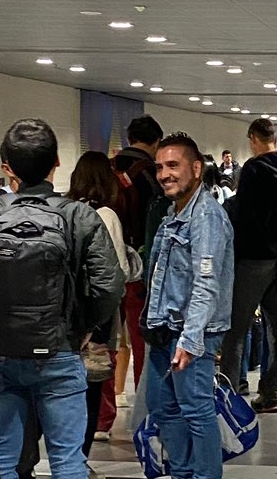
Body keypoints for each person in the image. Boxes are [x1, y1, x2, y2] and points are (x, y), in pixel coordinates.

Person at [0, 119, 124, 479]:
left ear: (6, 168)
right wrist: (83, 327)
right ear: (57, 162)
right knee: (67, 460)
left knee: (2, 459)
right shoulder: (78, 215)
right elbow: (108, 285)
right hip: (59, 351)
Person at [143, 132, 234, 479]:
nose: (164, 174)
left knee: (196, 411)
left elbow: (206, 282)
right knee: (163, 407)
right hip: (164, 329)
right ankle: (182, 473)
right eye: (160, 167)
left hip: (192, 334)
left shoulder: (206, 217)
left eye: (173, 166)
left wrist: (191, 338)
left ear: (196, 169)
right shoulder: (173, 213)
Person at [219, 119, 277, 413]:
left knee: (236, 329)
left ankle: (229, 392)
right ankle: (270, 394)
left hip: (254, 259)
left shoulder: (253, 169)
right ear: (275, 137)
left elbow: (242, 215)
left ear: (253, 138)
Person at [65, 151, 132, 450]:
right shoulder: (106, 215)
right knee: (91, 388)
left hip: (62, 319)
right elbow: (119, 272)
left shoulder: (63, 210)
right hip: (96, 320)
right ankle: (80, 458)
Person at [112, 115, 164, 393]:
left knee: (105, 340)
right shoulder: (150, 173)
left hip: (105, 263)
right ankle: (145, 404)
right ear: (156, 142)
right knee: (142, 334)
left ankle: (103, 413)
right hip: (139, 265)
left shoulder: (108, 168)